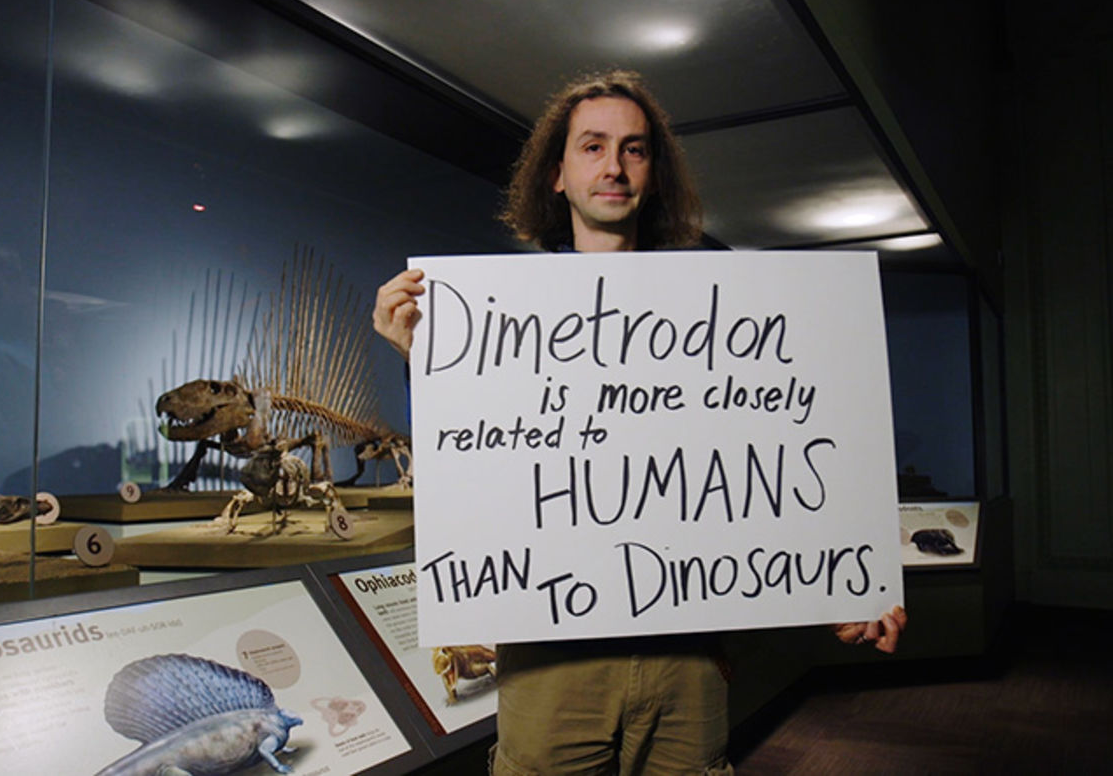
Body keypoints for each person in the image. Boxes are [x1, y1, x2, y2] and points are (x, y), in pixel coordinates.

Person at [374, 69, 907, 775]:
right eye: (592, 147)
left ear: (654, 174)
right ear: (557, 173)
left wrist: (851, 582)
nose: (614, 167)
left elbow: (764, 474)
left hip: (686, 659)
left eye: (634, 149)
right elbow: (479, 479)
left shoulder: (725, 321)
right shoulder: (490, 327)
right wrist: (425, 360)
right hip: (549, 662)